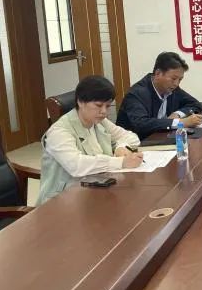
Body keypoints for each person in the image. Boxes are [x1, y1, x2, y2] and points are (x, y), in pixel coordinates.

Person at [37, 76, 142, 205]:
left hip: (96, 190)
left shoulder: (100, 121)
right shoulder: (59, 131)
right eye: (98, 105)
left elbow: (131, 137)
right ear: (80, 102)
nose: (104, 112)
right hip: (61, 201)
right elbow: (76, 166)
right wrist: (121, 162)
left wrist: (121, 147)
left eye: (107, 106)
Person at [116, 52, 202, 139]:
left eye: (180, 79)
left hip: (162, 138)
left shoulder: (172, 88)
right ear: (158, 73)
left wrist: (177, 114)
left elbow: (195, 104)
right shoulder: (137, 94)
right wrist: (181, 122)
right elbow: (141, 124)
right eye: (173, 78)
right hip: (136, 143)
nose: (176, 83)